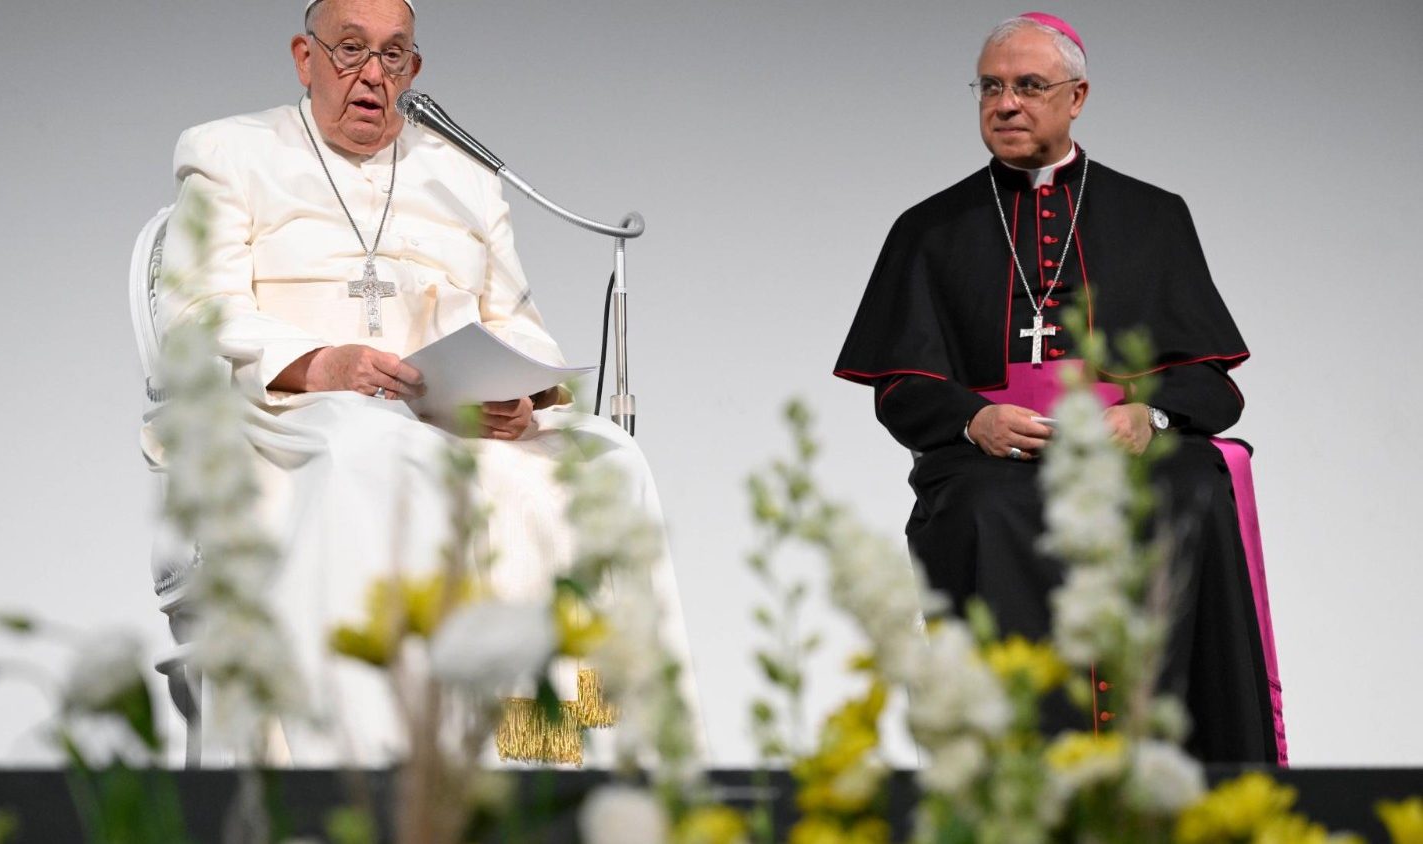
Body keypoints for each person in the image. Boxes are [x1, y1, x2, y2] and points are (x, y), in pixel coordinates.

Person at [147, 0, 700, 765]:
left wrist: (520, 388)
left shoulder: (463, 174)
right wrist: (321, 363)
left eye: (393, 55)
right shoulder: (229, 152)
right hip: (296, 412)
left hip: (450, 419)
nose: (372, 75)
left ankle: (570, 753)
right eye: (349, 51)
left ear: (415, 69)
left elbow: (515, 316)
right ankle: (380, 762)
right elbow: (195, 312)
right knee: (372, 446)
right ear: (305, 59)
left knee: (607, 459)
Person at [834, 12, 1281, 763]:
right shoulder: (930, 228)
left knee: (1191, 487)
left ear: (1077, 97)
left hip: (1131, 458)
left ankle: (1175, 760)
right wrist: (973, 419)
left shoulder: (1153, 216)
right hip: (996, 462)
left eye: (1028, 86)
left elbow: (1212, 383)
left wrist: (1152, 414)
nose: (1005, 103)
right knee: (980, 506)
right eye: (991, 87)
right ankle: (1013, 772)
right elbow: (901, 385)